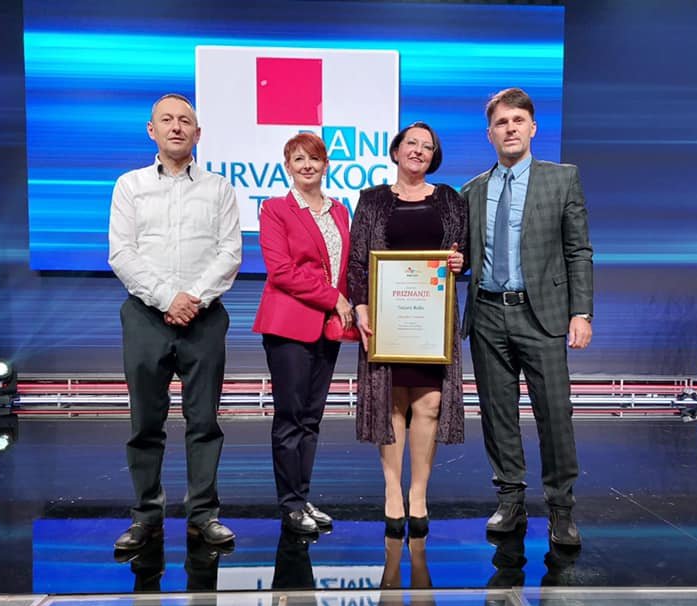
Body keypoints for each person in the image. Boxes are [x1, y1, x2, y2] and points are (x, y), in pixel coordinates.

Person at [460, 87, 593, 546]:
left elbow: (578, 251)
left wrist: (581, 313)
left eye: (518, 120)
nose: (510, 128)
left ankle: (560, 507)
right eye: (501, 122)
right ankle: (510, 499)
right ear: (490, 134)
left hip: (543, 316)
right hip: (487, 315)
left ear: (533, 128)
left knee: (555, 414)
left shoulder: (562, 179)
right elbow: (464, 257)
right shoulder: (472, 191)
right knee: (497, 414)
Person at [109, 93, 242, 553]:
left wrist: (192, 300)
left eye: (185, 121)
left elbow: (230, 253)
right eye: (166, 120)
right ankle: (146, 516)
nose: (176, 127)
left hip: (204, 319)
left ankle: (203, 515)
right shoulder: (129, 186)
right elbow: (122, 253)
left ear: (198, 133)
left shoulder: (219, 188)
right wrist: (168, 298)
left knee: (204, 422)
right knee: (145, 422)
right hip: (146, 317)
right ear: (152, 130)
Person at [348, 122, 466, 539]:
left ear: (434, 157)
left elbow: (463, 254)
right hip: (387, 319)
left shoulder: (450, 199)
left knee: (430, 403)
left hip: (432, 320)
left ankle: (418, 493)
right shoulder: (372, 200)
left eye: (427, 146)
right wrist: (361, 307)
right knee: (393, 403)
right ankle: (392, 492)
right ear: (396, 151)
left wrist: (460, 262)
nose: (418, 150)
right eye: (411, 143)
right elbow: (358, 261)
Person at [253, 133, 352, 535]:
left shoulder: (340, 211)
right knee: (290, 417)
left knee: (311, 418)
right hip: (289, 326)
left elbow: (344, 267)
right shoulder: (275, 209)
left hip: (327, 328)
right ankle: (290, 504)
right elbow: (282, 272)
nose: (307, 165)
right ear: (287, 167)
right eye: (298, 159)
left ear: (326, 164)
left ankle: (302, 496)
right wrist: (333, 298)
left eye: (314, 158)